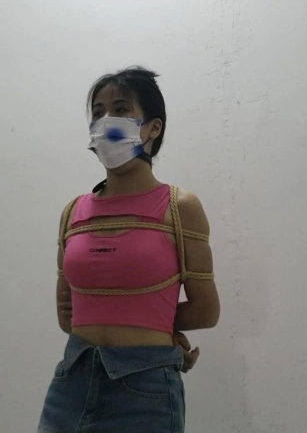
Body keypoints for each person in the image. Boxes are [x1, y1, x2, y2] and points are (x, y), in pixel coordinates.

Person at [37, 66, 221, 433]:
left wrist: (152, 324)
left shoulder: (179, 207)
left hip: (145, 388)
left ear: (153, 127)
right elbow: (67, 312)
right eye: (98, 112)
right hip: (71, 383)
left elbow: (206, 310)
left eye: (120, 109)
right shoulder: (73, 212)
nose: (107, 120)